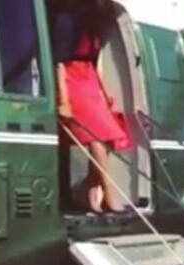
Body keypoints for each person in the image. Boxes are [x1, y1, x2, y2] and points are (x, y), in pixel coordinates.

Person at [48, 0, 127, 213]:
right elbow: (59, 64)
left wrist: (105, 93)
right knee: (96, 139)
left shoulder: (93, 29)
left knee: (110, 136)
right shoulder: (67, 22)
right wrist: (63, 100)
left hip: (88, 79)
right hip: (72, 79)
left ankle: (92, 195)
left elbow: (95, 63)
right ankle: (109, 197)